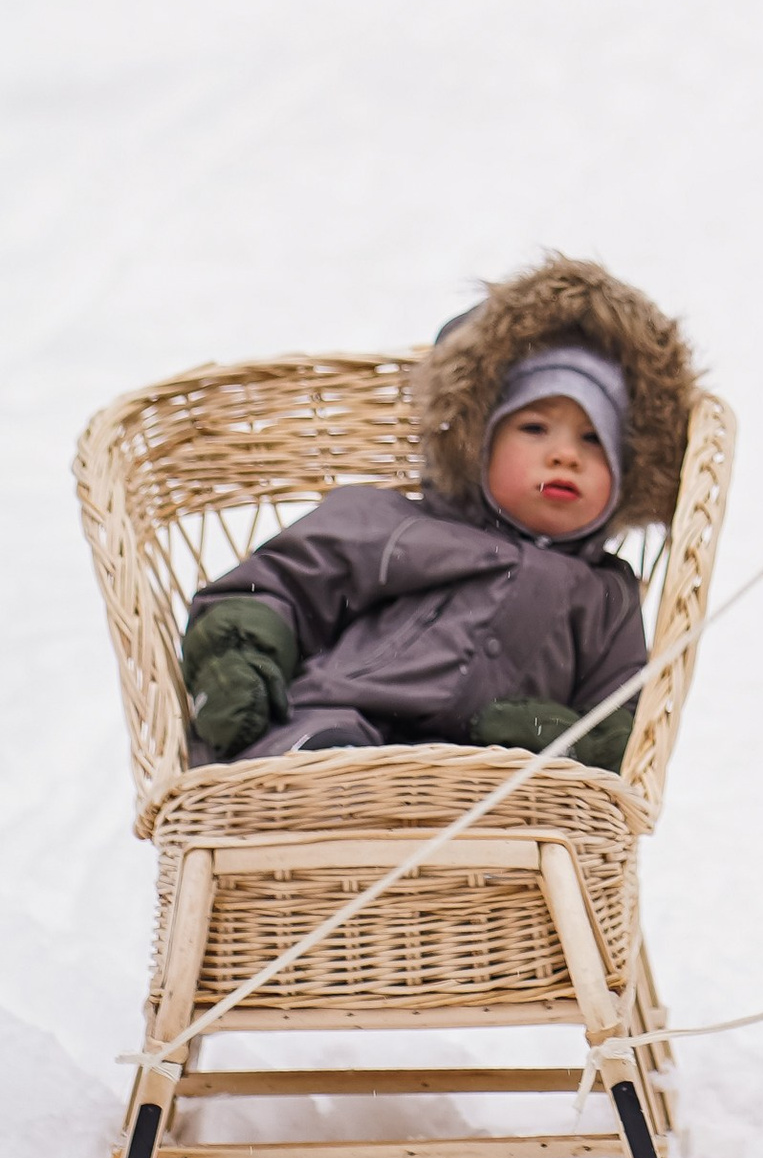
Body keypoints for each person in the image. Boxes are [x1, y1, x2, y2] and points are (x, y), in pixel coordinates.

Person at [180, 255, 699, 771]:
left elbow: (619, 716)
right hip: (337, 723)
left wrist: (552, 734)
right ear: (479, 442)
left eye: (594, 440)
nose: (566, 455)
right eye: (535, 428)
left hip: (487, 782)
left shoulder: (607, 597)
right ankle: (316, 789)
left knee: (509, 794)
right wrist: (238, 656)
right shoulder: (394, 525)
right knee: (322, 752)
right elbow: (278, 582)